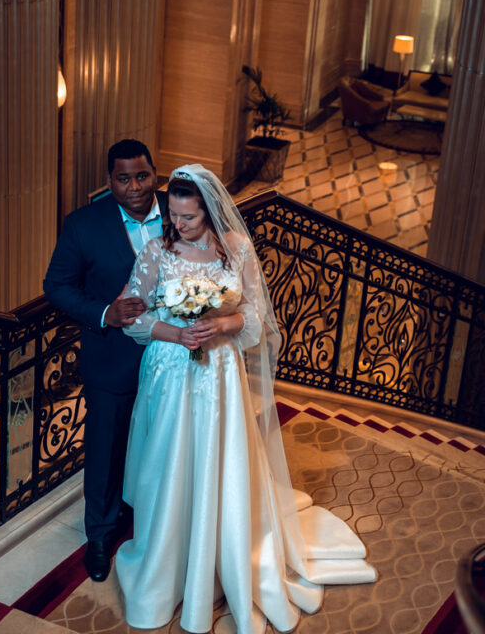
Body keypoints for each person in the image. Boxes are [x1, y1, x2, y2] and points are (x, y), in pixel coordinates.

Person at [115, 164, 376, 633]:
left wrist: (220, 325)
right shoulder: (156, 251)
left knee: (220, 461)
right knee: (169, 463)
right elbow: (131, 316)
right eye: (172, 215)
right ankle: (167, 563)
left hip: (219, 372)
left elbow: (254, 316)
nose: (178, 224)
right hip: (171, 372)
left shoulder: (235, 250)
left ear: (210, 212)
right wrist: (176, 332)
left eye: (188, 217)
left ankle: (225, 552)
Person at [43, 139, 166, 582]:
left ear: (156, 174)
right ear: (109, 181)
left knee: (164, 444)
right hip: (111, 362)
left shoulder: (183, 213)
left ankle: (158, 524)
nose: (135, 187)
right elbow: (57, 286)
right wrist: (103, 313)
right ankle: (99, 534)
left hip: (173, 359)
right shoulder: (83, 225)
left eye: (142, 176)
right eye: (123, 178)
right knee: (105, 450)